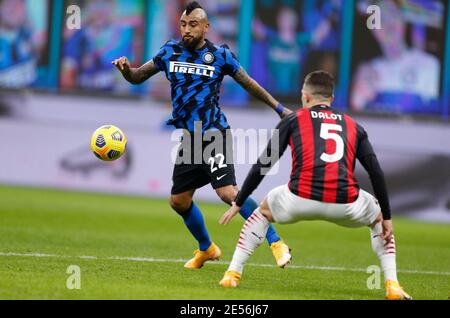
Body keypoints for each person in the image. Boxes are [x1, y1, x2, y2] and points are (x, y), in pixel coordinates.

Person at [112, 1, 293, 269]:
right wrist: (127, 70)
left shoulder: (220, 56)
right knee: (179, 201)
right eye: (183, 24)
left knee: (228, 193)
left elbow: (249, 84)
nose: (187, 29)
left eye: (193, 24)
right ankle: (207, 248)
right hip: (189, 138)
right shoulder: (169, 52)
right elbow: (138, 77)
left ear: (206, 27)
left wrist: (278, 108)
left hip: (213, 133)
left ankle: (277, 242)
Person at [218, 71, 412, 300]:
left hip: (298, 199)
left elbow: (264, 163)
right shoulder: (353, 126)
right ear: (332, 98)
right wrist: (387, 216)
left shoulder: (293, 119)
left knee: (262, 212)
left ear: (306, 96)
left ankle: (233, 273)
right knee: (378, 220)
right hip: (346, 203)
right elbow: (376, 172)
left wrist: (239, 203)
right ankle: (392, 285)